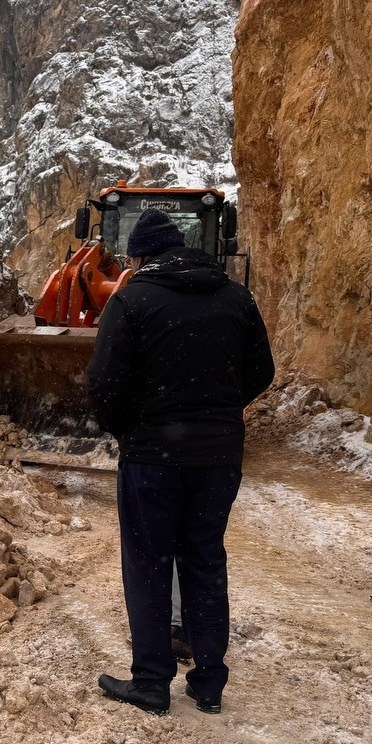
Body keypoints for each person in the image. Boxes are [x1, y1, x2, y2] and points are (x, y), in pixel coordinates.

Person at [87, 207, 275, 716]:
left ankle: (151, 681)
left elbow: (103, 385)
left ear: (141, 255)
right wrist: (217, 411)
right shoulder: (236, 298)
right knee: (205, 560)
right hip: (218, 459)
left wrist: (131, 427)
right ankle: (209, 681)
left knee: (148, 563)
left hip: (152, 457)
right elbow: (262, 370)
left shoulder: (131, 301)